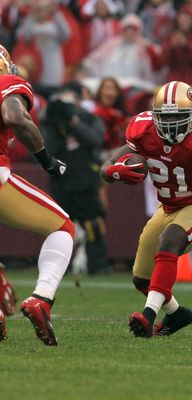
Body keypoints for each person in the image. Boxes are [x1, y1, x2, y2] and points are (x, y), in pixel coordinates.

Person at [101, 80, 192, 337]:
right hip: (169, 207)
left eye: (178, 116)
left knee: (170, 240)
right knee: (142, 279)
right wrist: (113, 171)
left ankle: (147, 317)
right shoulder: (142, 128)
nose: (171, 122)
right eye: (165, 116)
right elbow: (107, 165)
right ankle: (177, 314)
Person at [0, 45, 74, 345]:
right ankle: (42, 297)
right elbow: (14, 116)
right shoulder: (7, 82)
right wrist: (47, 160)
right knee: (63, 227)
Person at [44, 81, 108, 275]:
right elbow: (48, 148)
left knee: (93, 224)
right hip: (61, 180)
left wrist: (74, 123)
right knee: (58, 226)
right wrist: (55, 122)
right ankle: (57, 266)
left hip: (85, 178)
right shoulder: (53, 121)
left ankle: (98, 264)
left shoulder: (89, 118)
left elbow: (97, 139)